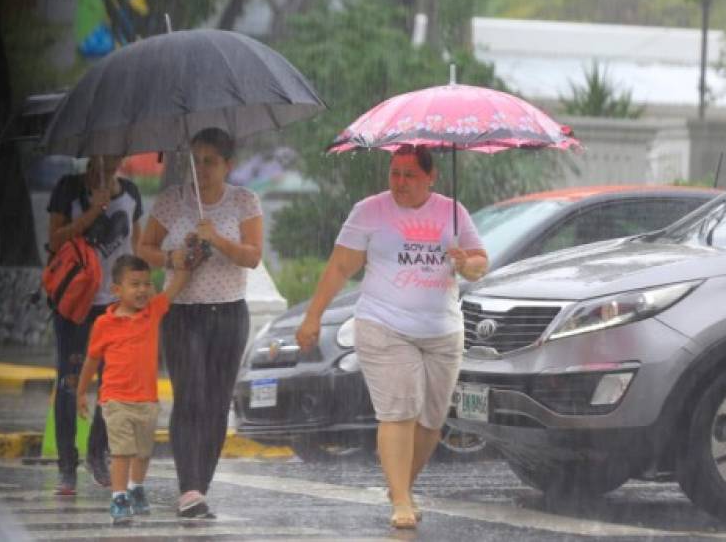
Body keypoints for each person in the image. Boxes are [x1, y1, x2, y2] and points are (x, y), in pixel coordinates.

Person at [296, 147, 488, 529]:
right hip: (383, 325)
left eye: (410, 175)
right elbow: (340, 266)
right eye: (395, 173)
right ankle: (401, 499)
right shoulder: (369, 211)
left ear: (431, 177)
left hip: (442, 330)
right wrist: (312, 316)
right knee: (399, 410)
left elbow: (481, 262)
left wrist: (467, 264)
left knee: (431, 420)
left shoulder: (453, 212)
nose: (400, 182)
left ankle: (402, 484)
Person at [138, 127, 263, 518]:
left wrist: (218, 241)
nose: (201, 168)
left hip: (228, 312)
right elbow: (144, 247)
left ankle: (200, 485)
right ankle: (188, 486)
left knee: (215, 403)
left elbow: (253, 256)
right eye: (195, 160)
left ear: (229, 164)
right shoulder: (173, 200)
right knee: (189, 397)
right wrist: (174, 256)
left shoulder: (244, 201)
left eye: (210, 161)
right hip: (183, 312)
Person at [46, 154, 143, 494]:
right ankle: (66, 465)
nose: (110, 159)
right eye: (103, 153)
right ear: (92, 156)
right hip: (76, 306)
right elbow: (55, 241)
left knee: (112, 387)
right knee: (70, 383)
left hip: (115, 308)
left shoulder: (131, 193)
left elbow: (137, 248)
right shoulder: (69, 189)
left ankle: (96, 454)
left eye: (116, 153)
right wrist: (91, 213)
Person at [75, 253, 192, 525]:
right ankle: (118, 498)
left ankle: (135, 488)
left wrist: (186, 261)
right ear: (117, 290)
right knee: (121, 451)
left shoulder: (152, 312)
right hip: (115, 400)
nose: (142, 290)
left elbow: (176, 286)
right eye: (134, 284)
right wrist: (82, 392)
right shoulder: (104, 324)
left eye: (146, 284)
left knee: (143, 451)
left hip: (147, 400)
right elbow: (92, 360)